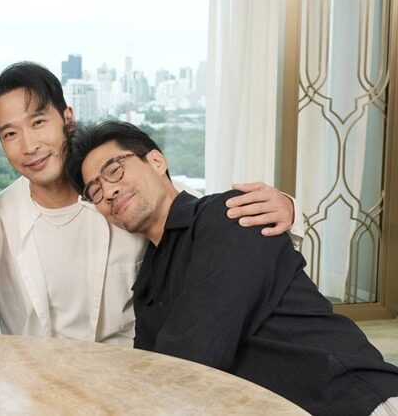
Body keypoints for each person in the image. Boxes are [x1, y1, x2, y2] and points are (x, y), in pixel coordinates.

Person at [65, 120, 398, 415]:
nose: (109, 191)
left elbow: (190, 356)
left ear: (156, 161)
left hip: (355, 400)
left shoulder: (231, 215)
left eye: (114, 170)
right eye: (95, 190)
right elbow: (150, 371)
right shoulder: (148, 283)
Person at [0, 62, 301, 345]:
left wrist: (287, 207)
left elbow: (202, 215)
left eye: (38, 123)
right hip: (37, 382)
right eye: (11, 134)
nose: (29, 145)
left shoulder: (122, 192)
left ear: (67, 119)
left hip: (132, 376)